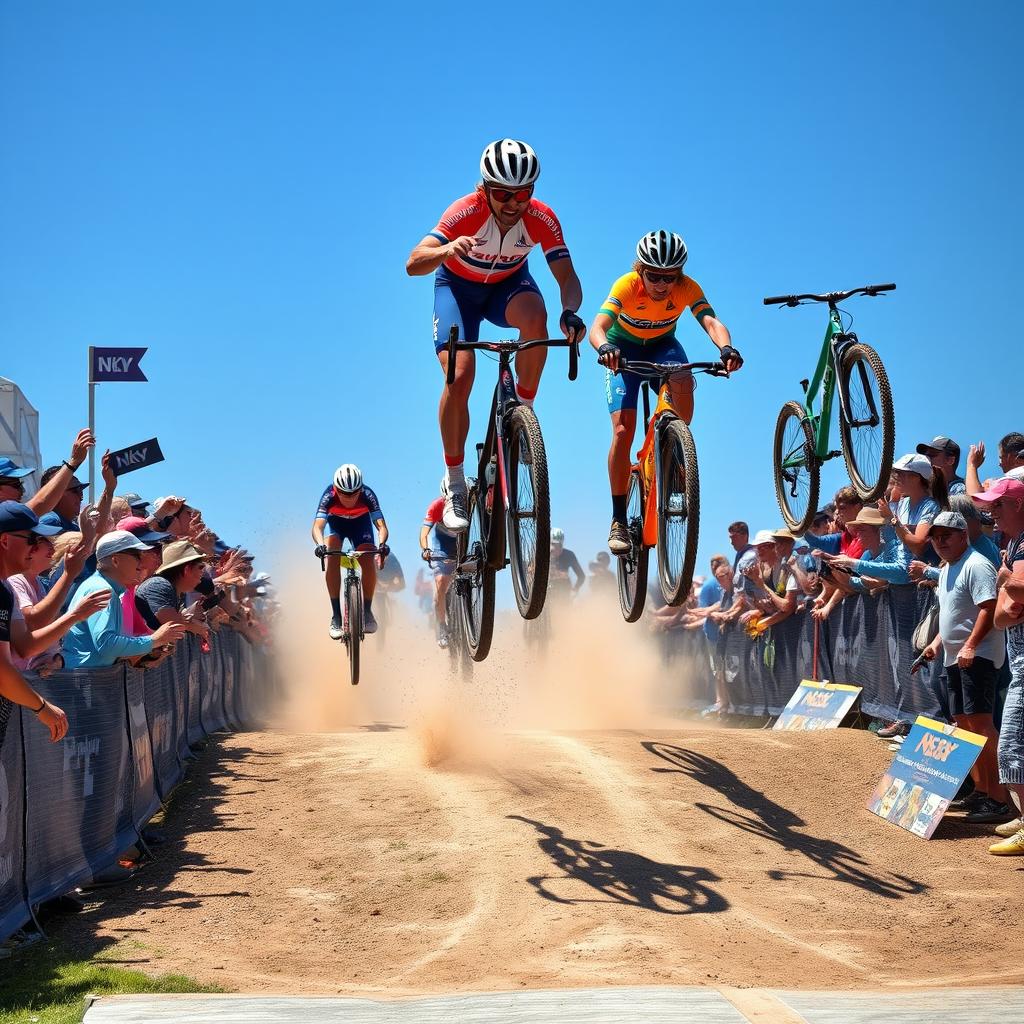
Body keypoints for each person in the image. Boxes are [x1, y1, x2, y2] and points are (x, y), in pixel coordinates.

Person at [405, 139, 586, 532]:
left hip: (507, 288)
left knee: (537, 319)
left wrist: (570, 312)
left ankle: (523, 410)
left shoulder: (541, 218)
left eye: (522, 194)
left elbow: (567, 277)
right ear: (484, 189)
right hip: (458, 292)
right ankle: (454, 480)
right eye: (502, 193)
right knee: (460, 374)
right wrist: (448, 249)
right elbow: (413, 263)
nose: (512, 203)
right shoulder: (465, 211)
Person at [590, 231, 743, 554]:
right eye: (654, 276)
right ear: (641, 270)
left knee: (684, 378)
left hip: (663, 347)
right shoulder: (626, 286)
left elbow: (711, 321)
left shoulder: (687, 288)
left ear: (679, 275)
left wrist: (726, 348)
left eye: (669, 278)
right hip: (623, 352)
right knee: (622, 430)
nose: (661, 284)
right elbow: (598, 326)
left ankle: (675, 447)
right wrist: (605, 348)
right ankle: (618, 518)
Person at [919, 511, 1011, 824]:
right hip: (954, 657)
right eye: (935, 536)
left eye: (946, 535)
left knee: (982, 726)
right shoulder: (947, 569)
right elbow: (953, 614)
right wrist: (936, 644)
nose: (939, 541)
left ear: (963, 536)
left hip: (979, 656)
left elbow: (988, 608)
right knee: (964, 725)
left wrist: (970, 645)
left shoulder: (976, 564)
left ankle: (999, 799)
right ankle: (982, 791)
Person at [973, 477, 1024, 854]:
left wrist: (1006, 580)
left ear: (1019, 505)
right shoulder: (1013, 544)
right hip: (1018, 657)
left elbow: (1011, 602)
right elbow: (1005, 614)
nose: (991, 510)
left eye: (999, 504)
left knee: (1011, 746)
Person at [62, 530, 188, 669]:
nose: (141, 564)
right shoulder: (101, 589)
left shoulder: (104, 587)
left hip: (88, 681)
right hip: (84, 684)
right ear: (115, 560)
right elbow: (106, 644)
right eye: (137, 556)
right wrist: (154, 640)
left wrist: (148, 646)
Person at [0, 503, 70, 744]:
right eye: (31, 539)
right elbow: (1, 668)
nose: (36, 547)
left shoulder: (5, 588)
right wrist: (42, 708)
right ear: (5, 541)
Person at [311, 464, 389, 640]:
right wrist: (319, 544)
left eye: (354, 493)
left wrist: (382, 544)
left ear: (360, 489)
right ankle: (336, 616)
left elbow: (381, 526)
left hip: (360, 524)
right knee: (331, 556)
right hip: (336, 525)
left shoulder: (368, 495)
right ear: (336, 489)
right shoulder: (328, 495)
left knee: (368, 561)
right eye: (344, 493)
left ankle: (367, 612)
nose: (349, 498)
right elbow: (317, 526)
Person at [136, 540, 211, 642]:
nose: (203, 572)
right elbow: (172, 623)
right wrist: (195, 627)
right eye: (201, 567)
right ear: (187, 569)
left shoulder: (171, 589)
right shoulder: (159, 584)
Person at [420, 483, 460, 648]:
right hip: (441, 545)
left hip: (461, 544)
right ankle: (441, 626)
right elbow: (424, 533)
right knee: (441, 581)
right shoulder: (437, 505)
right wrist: (425, 549)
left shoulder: (466, 502)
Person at [966, 433, 1024, 497]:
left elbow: (975, 498)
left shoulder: (1014, 480)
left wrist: (972, 465)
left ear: (1012, 457)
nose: (1000, 464)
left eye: (1001, 457)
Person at [549, 528, 584, 596]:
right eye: (553, 544)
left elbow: (581, 576)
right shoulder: (541, 555)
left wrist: (575, 590)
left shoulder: (569, 555)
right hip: (546, 593)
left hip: (564, 592)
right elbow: (530, 572)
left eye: (559, 545)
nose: (556, 548)